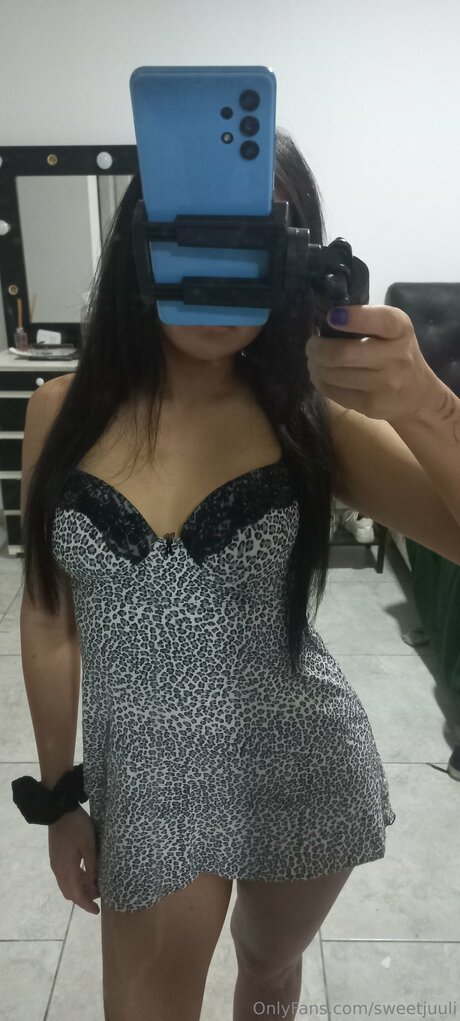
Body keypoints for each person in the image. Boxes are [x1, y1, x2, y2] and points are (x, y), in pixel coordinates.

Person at [17, 129, 398, 1021]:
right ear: (143, 247)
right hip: (147, 780)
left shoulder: (310, 417)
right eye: (194, 239)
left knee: (268, 974)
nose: (220, 281)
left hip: (302, 759)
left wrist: (416, 397)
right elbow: (47, 616)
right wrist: (60, 794)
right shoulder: (58, 414)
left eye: (254, 247)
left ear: (291, 262)